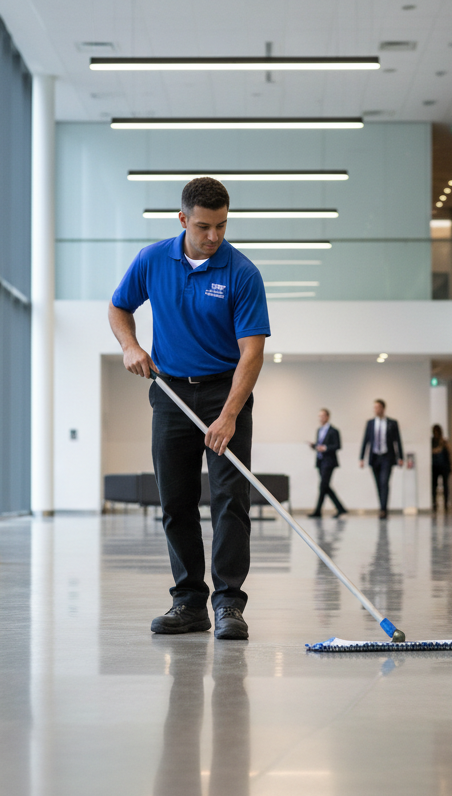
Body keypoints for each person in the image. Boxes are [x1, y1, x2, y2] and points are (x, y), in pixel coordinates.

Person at [108, 177, 270, 640]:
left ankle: (228, 606)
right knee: (176, 501)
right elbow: (119, 308)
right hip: (171, 393)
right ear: (182, 219)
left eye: (221, 225)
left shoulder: (242, 273)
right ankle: (189, 602)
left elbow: (252, 352)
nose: (214, 236)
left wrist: (230, 414)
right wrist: (130, 346)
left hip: (225, 393)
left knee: (229, 502)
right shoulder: (153, 259)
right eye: (203, 226)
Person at [359, 399, 404, 519]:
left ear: (383, 408)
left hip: (387, 457)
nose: (375, 410)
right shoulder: (370, 423)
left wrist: (401, 457)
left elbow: (397, 440)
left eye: (378, 407)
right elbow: (366, 440)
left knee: (384, 482)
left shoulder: (392, 423)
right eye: (374, 407)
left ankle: (383, 509)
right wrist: (361, 457)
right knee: (378, 484)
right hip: (374, 457)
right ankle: (382, 507)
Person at [307, 408, 346, 518]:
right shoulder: (319, 430)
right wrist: (314, 446)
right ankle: (340, 508)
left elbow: (338, 445)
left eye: (323, 416)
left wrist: (325, 448)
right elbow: (319, 444)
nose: (321, 418)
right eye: (319, 416)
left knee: (323, 486)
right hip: (320, 461)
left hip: (329, 462)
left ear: (327, 417)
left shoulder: (334, 431)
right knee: (325, 486)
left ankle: (318, 511)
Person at [431, 424, 451, 512]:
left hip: (444, 466)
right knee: (434, 485)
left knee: (445, 485)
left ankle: (446, 503)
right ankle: (434, 502)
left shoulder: (443, 441)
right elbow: (432, 451)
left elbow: (448, 454)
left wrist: (450, 466)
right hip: (434, 466)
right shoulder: (432, 442)